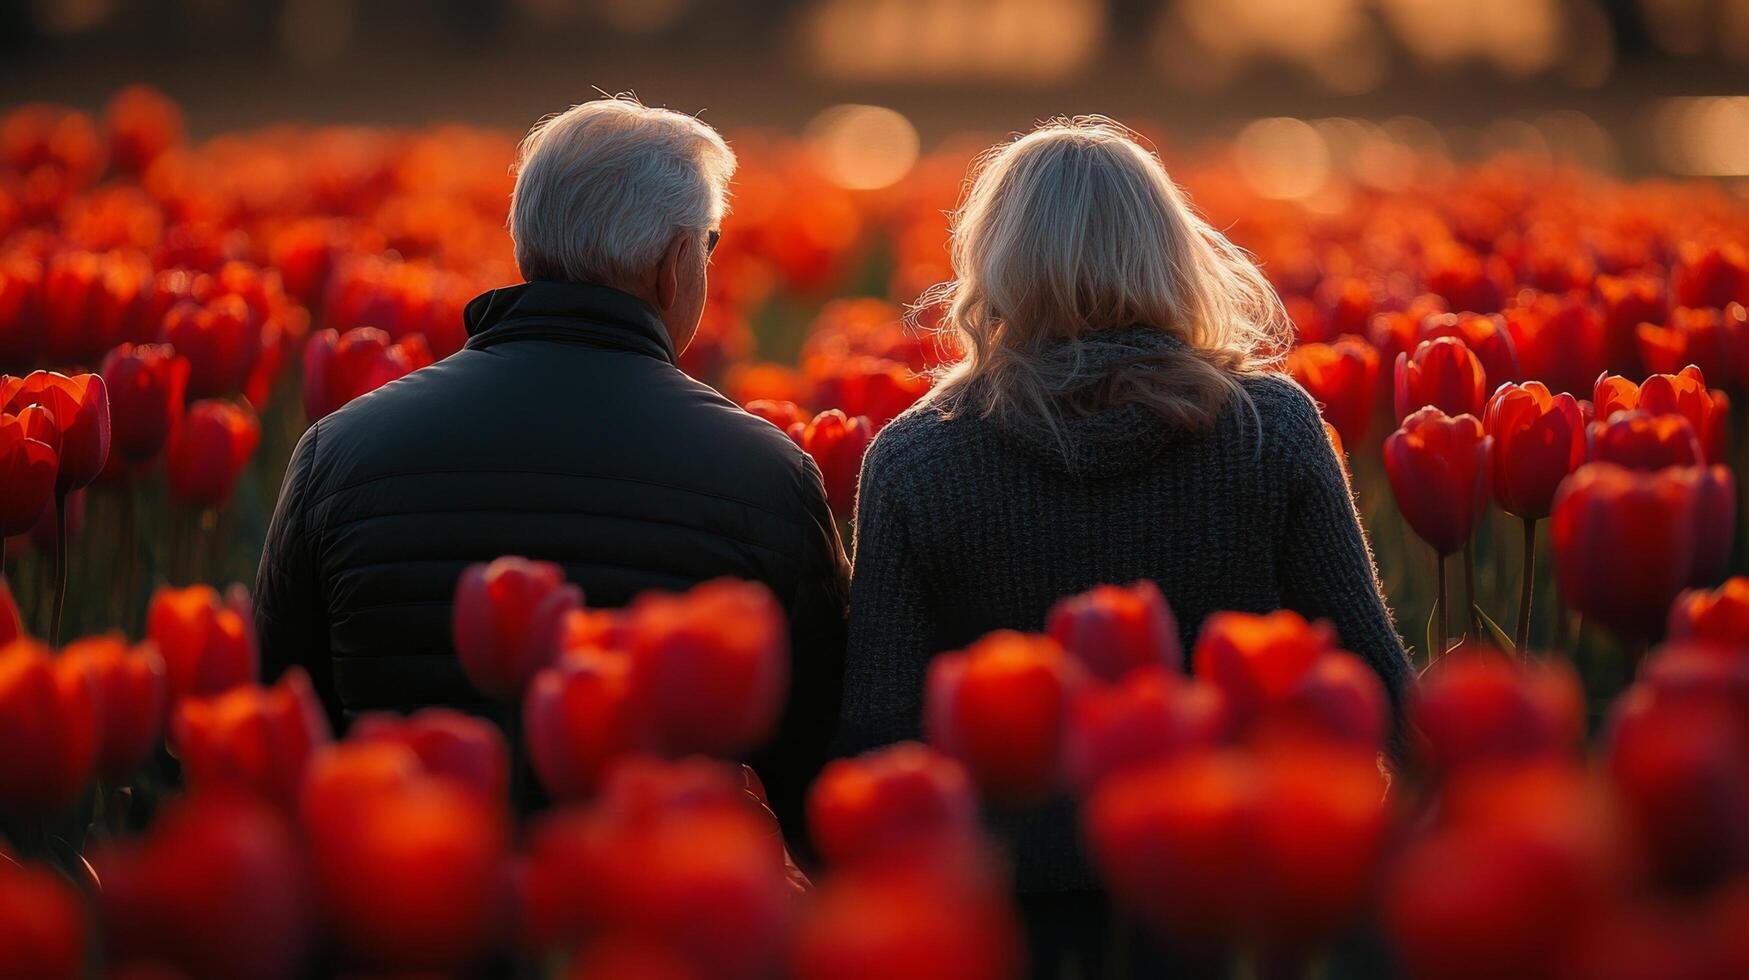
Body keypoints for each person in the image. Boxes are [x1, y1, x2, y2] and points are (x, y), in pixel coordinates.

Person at [836, 116, 1411, 974]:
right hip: (1232, 895)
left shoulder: (918, 459)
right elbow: (1378, 687)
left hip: (1006, 918)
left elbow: (880, 732)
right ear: (1171, 252)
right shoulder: (1267, 428)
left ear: (993, 266)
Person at [254, 96, 849, 831]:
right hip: (647, 900)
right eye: (709, 245)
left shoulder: (341, 448)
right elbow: (811, 751)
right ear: (673, 267)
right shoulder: (765, 475)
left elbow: (280, 710)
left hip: (403, 879)